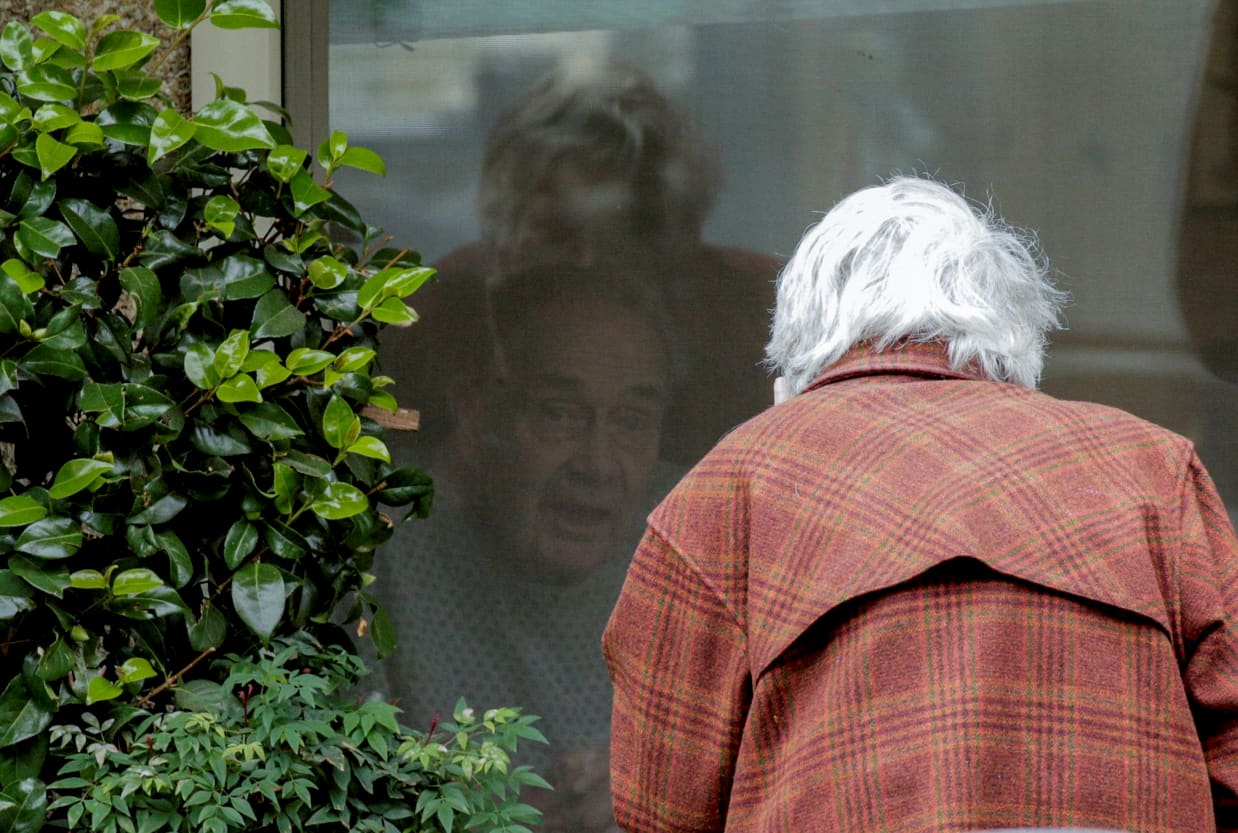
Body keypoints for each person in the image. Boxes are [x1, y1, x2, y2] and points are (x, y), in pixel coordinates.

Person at [602, 176, 1238, 832]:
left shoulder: (729, 492)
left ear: (795, 364)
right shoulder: (1152, 473)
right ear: (1014, 344)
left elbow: (661, 807)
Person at [373, 258, 680, 833]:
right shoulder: (383, 535)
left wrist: (654, 788)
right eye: (559, 414)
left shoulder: (693, 532)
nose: (597, 463)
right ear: (478, 412)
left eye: (633, 421)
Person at [395, 62, 779, 467]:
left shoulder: (757, 319)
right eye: (556, 232)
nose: (586, 267)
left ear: (680, 248)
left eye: (618, 243)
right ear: (502, 228)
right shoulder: (434, 317)